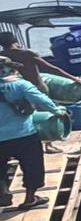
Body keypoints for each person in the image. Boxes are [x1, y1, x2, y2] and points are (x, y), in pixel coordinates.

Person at [1, 56, 68, 212]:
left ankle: (3, 192)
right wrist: (57, 111)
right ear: (10, 69)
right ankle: (30, 199)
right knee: (33, 166)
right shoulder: (20, 85)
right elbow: (41, 99)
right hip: (23, 134)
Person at [0, 31, 81, 92]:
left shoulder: (2, 57)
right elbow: (52, 69)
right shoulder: (27, 53)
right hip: (36, 87)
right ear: (15, 41)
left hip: (13, 90)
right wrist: (75, 78)